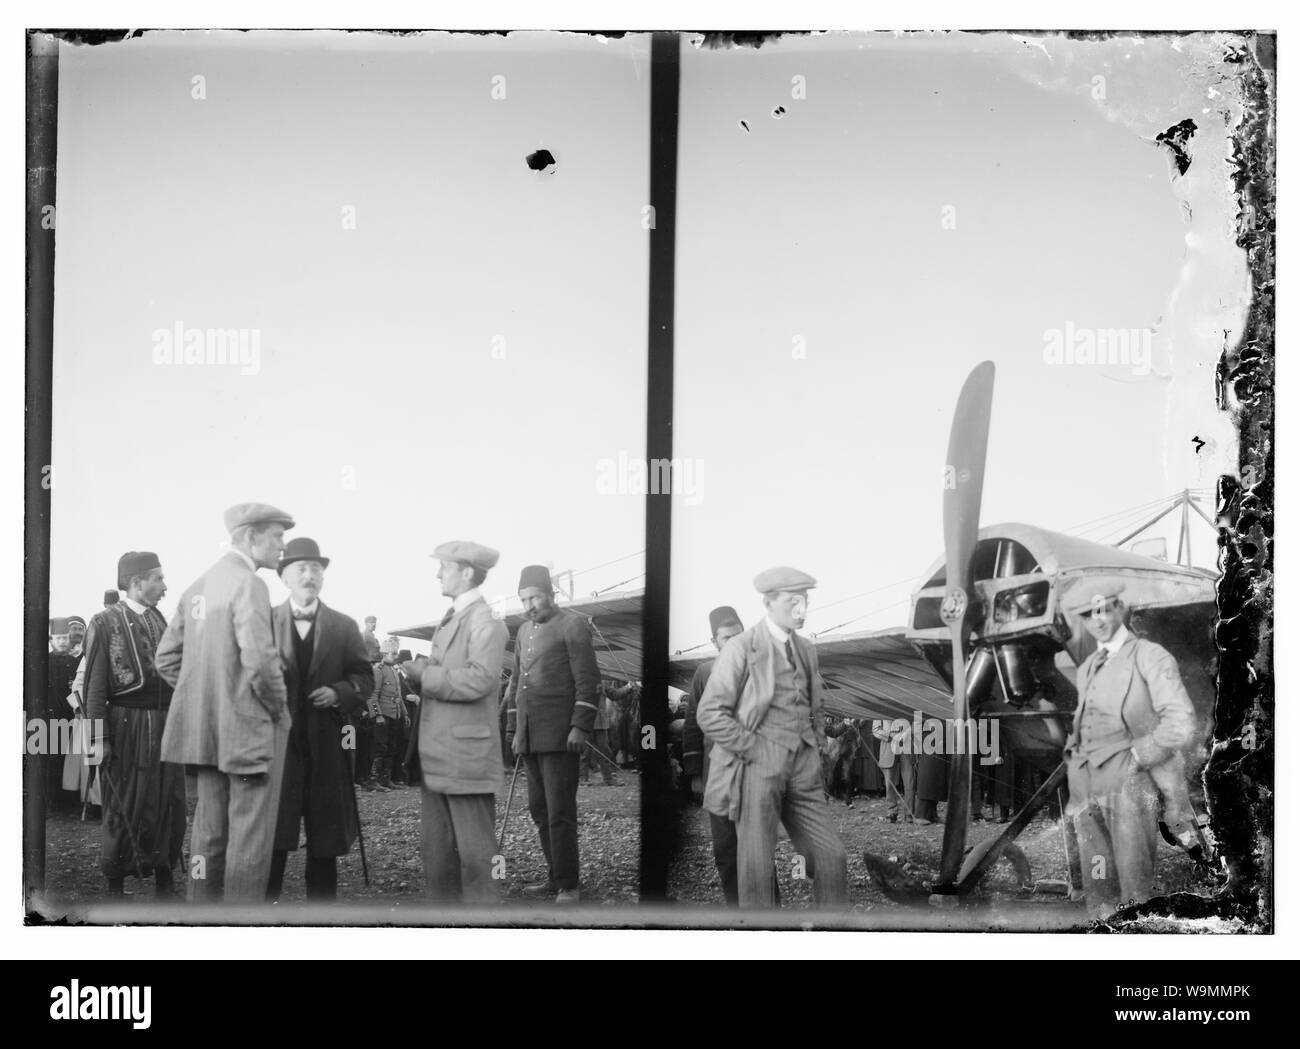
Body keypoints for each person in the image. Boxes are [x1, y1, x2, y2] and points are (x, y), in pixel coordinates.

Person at [156, 503, 294, 904]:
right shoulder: (250, 584)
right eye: (276, 536)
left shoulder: (199, 584)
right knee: (250, 839)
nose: (282, 545)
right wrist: (279, 711)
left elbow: (165, 658)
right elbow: (260, 661)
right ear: (251, 537)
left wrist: (204, 697)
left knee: (209, 834)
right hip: (247, 735)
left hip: (203, 733)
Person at [696, 567, 849, 909]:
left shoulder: (807, 649)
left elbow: (815, 707)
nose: (801, 609)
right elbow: (708, 714)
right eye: (792, 601)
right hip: (755, 770)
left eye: (804, 600)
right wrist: (754, 749)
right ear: (768, 603)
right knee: (755, 868)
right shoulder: (741, 648)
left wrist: (818, 750)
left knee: (831, 857)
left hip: (802, 771)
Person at [1063, 581, 1197, 918]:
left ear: (1120, 609)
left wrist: (1137, 757)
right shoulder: (1086, 669)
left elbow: (1180, 721)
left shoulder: (1150, 656)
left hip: (1130, 786)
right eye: (1087, 615)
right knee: (1098, 880)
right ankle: (1101, 929)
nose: (1097, 620)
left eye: (1104, 610)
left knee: (1134, 887)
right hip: (1089, 790)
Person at [266, 537, 373, 902]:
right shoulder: (264, 621)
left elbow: (364, 677)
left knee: (324, 837)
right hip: (277, 746)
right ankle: (263, 916)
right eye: (301, 568)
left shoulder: (343, 626)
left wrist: (340, 692)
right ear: (284, 577)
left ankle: (321, 917)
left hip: (326, 743)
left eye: (316, 568)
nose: (309, 575)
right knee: (273, 835)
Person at [401, 541, 508, 904]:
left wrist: (424, 675)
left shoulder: (484, 620)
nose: (437, 573)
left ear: (466, 572)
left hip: (465, 756)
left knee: (479, 858)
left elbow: (480, 679)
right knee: (439, 857)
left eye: (443, 567)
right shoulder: (457, 616)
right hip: (442, 753)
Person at [82, 553, 187, 898]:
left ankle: (163, 876)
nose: (164, 586)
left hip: (164, 724)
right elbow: (94, 688)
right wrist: (99, 739)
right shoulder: (104, 621)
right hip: (125, 725)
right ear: (137, 581)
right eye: (158, 578)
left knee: (166, 801)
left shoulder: (160, 619)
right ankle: (115, 883)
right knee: (124, 803)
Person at [503, 565, 601, 904]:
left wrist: (580, 726)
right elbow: (517, 683)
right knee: (539, 810)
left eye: (535, 597)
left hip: (562, 736)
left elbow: (588, 680)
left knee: (560, 811)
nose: (529, 605)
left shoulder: (572, 625)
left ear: (551, 594)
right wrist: (514, 729)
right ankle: (555, 874)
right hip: (530, 737)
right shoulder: (524, 631)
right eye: (523, 599)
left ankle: (568, 884)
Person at [682, 604, 766, 906]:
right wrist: (694, 772)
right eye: (724, 638)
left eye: (737, 635)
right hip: (716, 775)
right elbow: (692, 722)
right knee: (725, 851)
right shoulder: (704, 673)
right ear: (714, 642)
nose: (732, 642)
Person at [46, 618, 81, 808]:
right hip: (49, 716)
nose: (61, 642)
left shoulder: (75, 662)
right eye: (58, 638)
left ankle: (68, 799)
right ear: (51, 640)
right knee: (50, 756)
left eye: (64, 638)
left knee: (69, 757)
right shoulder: (44, 661)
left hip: (70, 715)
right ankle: (51, 800)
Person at [368, 638, 410, 791]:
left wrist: (404, 714)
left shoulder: (393, 670)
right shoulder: (378, 670)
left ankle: (385, 778)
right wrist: (377, 715)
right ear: (385, 653)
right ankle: (373, 779)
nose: (396, 655)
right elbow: (373, 695)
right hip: (383, 715)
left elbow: (398, 696)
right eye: (393, 653)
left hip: (395, 714)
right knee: (380, 747)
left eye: (396, 652)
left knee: (392, 747)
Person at [872, 718, 916, 824]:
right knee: (889, 783)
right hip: (888, 747)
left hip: (906, 747)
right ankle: (891, 812)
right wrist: (891, 736)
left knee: (910, 781)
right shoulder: (880, 707)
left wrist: (906, 734)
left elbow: (916, 721)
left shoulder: (907, 704)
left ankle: (909, 814)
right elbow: (875, 729)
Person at [580, 686, 619, 787]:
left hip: (600, 724)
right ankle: (582, 778)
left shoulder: (602, 683)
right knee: (584, 752)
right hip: (586, 722)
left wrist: (629, 687)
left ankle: (608, 779)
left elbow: (615, 694)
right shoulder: (581, 680)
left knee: (604, 751)